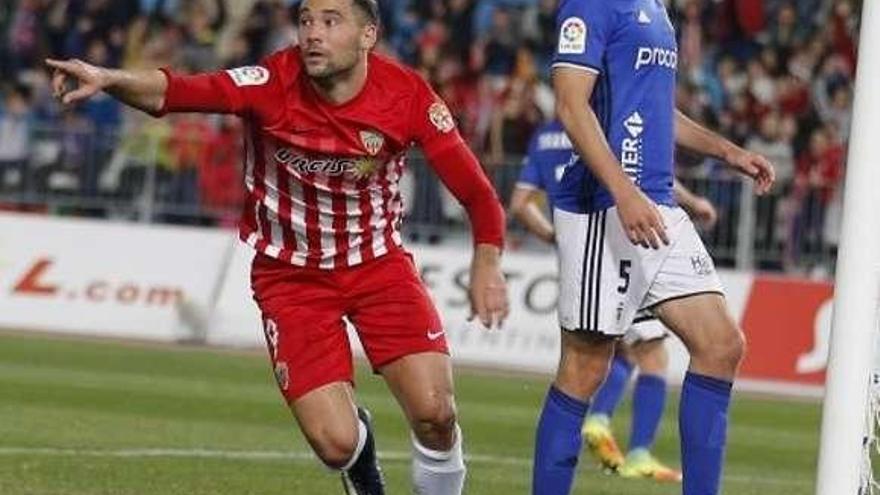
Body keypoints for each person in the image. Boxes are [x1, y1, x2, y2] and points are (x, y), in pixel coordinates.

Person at [47, 1, 510, 494]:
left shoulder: (407, 95)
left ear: (368, 35)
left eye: (331, 22)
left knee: (436, 413)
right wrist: (110, 78)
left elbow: (479, 194)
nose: (313, 33)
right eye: (307, 20)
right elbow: (178, 91)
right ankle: (361, 457)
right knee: (336, 443)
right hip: (291, 277)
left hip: (378, 266)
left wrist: (487, 262)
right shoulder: (270, 83)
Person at [531, 1, 775, 494]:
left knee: (721, 345)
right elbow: (571, 106)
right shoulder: (591, 5)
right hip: (604, 203)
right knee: (585, 366)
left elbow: (656, 107)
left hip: (658, 203)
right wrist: (623, 192)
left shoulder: (657, 9)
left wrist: (728, 152)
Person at [511, 120, 718, 483]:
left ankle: (601, 422)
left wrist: (553, 236)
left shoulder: (544, 135)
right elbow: (637, 172)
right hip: (623, 239)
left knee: (608, 352)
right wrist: (693, 200)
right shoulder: (604, 122)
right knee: (651, 354)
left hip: (578, 245)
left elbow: (521, 203)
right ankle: (627, 442)